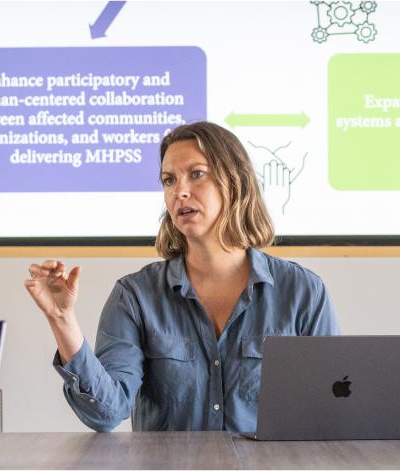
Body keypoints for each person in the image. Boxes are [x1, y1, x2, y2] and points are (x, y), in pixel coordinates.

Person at [24, 121, 340, 433]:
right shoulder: (135, 296)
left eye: (196, 174)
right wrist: (61, 318)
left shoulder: (303, 292)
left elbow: (330, 412)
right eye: (169, 180)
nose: (180, 192)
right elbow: (107, 413)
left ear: (234, 181)